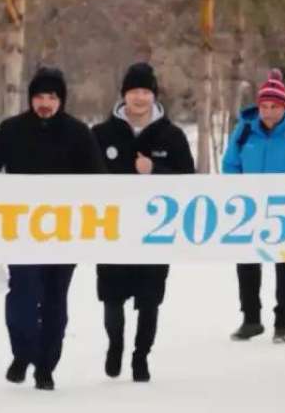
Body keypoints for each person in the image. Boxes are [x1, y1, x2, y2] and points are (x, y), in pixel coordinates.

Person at [0, 66, 105, 391]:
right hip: (21, 231)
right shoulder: (12, 130)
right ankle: (23, 354)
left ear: (61, 100)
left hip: (65, 233)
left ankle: (45, 367)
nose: (45, 103)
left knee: (54, 301)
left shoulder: (78, 133)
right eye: (39, 97)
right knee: (22, 296)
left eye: (52, 97)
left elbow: (98, 181)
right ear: (30, 98)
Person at [92, 63, 194, 382]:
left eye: (146, 92)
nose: (140, 98)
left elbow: (189, 182)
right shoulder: (101, 134)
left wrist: (155, 171)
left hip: (156, 232)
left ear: (154, 96)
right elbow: (82, 178)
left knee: (149, 299)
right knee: (112, 297)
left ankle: (140, 357)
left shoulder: (172, 136)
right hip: (113, 230)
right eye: (134, 91)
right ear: (124, 95)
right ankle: (115, 346)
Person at [222, 70, 285, 343]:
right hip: (250, 208)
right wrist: (239, 192)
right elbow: (230, 164)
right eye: (264, 106)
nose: (269, 112)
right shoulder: (244, 130)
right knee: (247, 263)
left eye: (274, 106)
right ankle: (251, 319)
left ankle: (283, 324)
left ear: (284, 107)